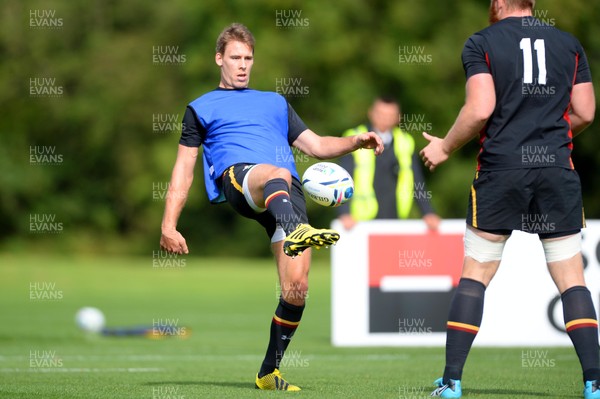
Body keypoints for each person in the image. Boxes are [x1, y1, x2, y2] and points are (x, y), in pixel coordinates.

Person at [159, 23, 383, 391]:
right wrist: (169, 224)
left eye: (248, 58)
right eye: (235, 58)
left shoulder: (275, 103)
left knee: (297, 289)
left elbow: (316, 146)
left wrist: (357, 140)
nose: (243, 65)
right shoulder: (200, 108)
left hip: (286, 191)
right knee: (276, 171)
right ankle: (296, 230)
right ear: (219, 59)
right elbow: (183, 169)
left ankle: (268, 371)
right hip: (242, 179)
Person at [420, 0, 598, 398]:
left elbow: (480, 108)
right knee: (572, 280)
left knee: (476, 275)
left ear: (498, 3)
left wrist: (446, 147)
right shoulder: (568, 43)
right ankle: (594, 383)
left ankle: (451, 382)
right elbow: (585, 112)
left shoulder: (481, 41)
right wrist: (550, 139)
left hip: (502, 170)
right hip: (557, 170)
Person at [337, 96, 440, 230]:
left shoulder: (405, 141)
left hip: (395, 217)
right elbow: (342, 179)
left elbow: (417, 180)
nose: (384, 119)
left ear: (398, 118)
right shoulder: (354, 137)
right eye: (381, 114)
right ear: (371, 113)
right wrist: (344, 213)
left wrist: (428, 212)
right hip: (360, 222)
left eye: (390, 115)